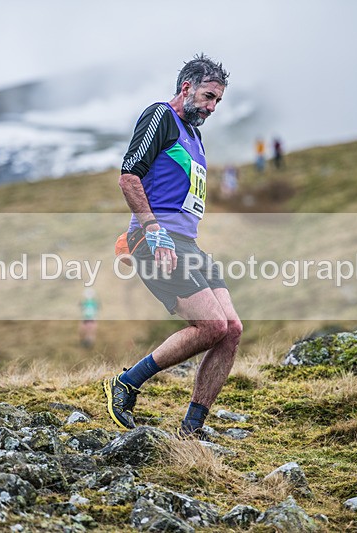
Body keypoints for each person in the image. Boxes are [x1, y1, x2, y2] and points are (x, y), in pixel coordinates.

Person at [103, 54, 242, 439]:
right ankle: (126, 384)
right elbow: (128, 176)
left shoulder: (195, 135)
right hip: (156, 239)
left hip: (188, 243)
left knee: (231, 329)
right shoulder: (160, 116)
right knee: (211, 325)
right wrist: (151, 230)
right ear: (187, 88)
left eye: (218, 101)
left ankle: (192, 428)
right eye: (209, 97)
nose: (212, 107)